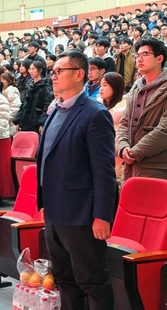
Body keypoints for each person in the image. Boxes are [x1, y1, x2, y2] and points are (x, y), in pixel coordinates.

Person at [36, 50, 118, 310]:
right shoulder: (55, 110)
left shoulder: (95, 113)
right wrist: (44, 203)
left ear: (79, 74)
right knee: (64, 277)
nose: (54, 76)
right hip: (54, 211)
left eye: (60, 71)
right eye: (53, 72)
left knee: (92, 280)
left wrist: (102, 216)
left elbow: (104, 171)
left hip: (81, 214)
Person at [116, 38, 167, 182]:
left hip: (158, 167)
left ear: (159, 58)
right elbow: (125, 121)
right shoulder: (137, 86)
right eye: (137, 55)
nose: (139, 59)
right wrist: (123, 146)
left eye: (145, 54)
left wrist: (136, 152)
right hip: (131, 165)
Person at [100, 72, 126, 184]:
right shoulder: (97, 104)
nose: (101, 89)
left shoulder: (124, 108)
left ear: (115, 86)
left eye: (105, 85)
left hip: (116, 155)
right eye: (100, 85)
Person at [14, 60, 52, 133]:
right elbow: (23, 104)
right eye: (30, 69)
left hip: (36, 122)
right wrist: (18, 120)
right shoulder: (29, 86)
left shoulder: (45, 87)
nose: (31, 71)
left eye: (33, 69)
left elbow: (46, 106)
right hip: (25, 121)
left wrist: (42, 123)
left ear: (40, 70)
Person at [1, 73, 22, 138]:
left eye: (4, 80)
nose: (2, 81)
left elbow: (15, 108)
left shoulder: (13, 91)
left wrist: (5, 120)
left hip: (10, 122)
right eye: (1, 79)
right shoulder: (1, 91)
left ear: (9, 81)